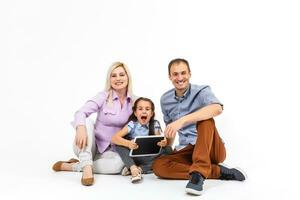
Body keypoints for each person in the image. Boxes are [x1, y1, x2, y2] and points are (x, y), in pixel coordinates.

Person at [152, 58, 246, 195]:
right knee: (158, 166)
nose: (180, 78)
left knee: (205, 120)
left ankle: (198, 175)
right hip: (188, 150)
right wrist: (167, 145)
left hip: (211, 148)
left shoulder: (202, 91)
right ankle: (216, 171)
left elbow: (217, 108)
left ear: (190, 74)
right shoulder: (165, 100)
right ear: (170, 77)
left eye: (183, 73)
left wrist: (182, 121)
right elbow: (170, 129)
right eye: (175, 74)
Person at [52, 62, 136, 186]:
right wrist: (80, 128)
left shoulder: (135, 102)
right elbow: (80, 112)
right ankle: (86, 166)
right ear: (109, 79)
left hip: (113, 151)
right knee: (86, 121)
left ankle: (74, 166)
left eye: (121, 75)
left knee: (118, 165)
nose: (118, 78)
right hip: (89, 146)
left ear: (128, 77)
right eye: (113, 75)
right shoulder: (103, 96)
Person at [111, 97, 170, 183]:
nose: (144, 111)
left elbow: (160, 138)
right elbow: (114, 138)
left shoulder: (155, 124)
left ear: (152, 113)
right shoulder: (132, 125)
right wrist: (128, 143)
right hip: (133, 156)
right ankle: (132, 167)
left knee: (168, 150)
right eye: (140, 109)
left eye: (147, 109)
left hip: (149, 157)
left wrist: (163, 143)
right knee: (119, 146)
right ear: (135, 113)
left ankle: (140, 169)